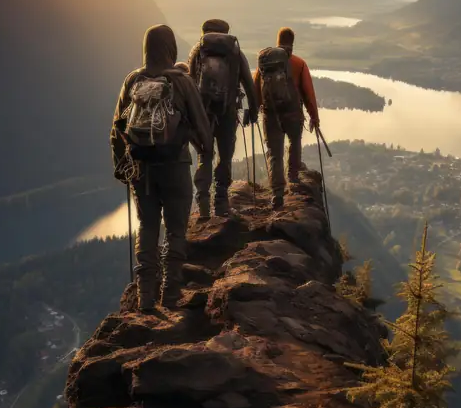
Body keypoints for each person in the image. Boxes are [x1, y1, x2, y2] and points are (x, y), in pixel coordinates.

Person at [111, 24, 212, 312]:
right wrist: (205, 150)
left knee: (147, 227)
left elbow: (116, 128)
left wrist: (122, 167)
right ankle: (170, 295)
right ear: (170, 49)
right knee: (176, 231)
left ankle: (145, 298)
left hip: (141, 170)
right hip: (176, 166)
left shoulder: (132, 80)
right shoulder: (182, 82)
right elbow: (202, 128)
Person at [188, 18, 258, 218]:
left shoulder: (197, 51)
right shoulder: (235, 52)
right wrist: (252, 111)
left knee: (205, 155)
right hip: (227, 112)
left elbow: (189, 83)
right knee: (225, 157)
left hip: (203, 114)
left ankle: (202, 205)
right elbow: (249, 84)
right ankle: (221, 203)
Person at [253, 26, 320, 210]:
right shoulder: (299, 63)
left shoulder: (265, 62)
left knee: (274, 153)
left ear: (278, 41)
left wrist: (257, 108)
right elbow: (308, 93)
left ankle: (277, 193)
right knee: (295, 142)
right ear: (292, 42)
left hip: (271, 114)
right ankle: (294, 178)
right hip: (293, 114)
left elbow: (256, 87)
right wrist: (314, 116)